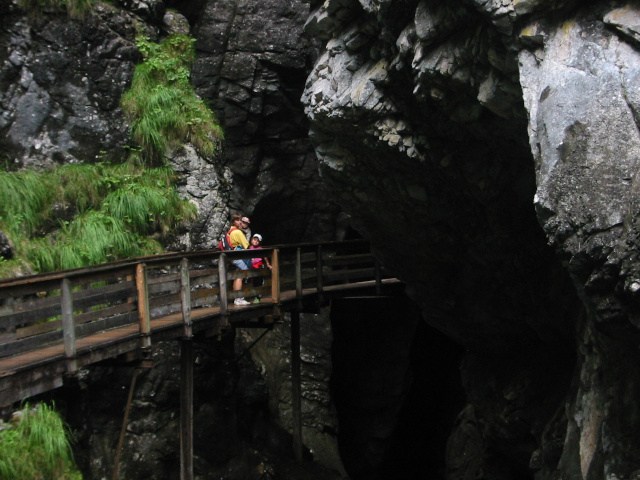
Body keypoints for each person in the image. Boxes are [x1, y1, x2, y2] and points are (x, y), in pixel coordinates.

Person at [228, 214, 250, 305]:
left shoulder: (230, 231)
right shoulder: (237, 232)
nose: (240, 222)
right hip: (237, 255)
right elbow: (246, 245)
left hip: (233, 255)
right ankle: (239, 298)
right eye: (237, 220)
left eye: (240, 220)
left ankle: (236, 297)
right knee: (242, 274)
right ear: (234, 222)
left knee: (238, 275)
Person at [249, 233, 272, 303]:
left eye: (257, 241)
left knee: (259, 281)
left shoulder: (260, 249)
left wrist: (268, 264)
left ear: (259, 242)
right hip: (252, 266)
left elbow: (264, 256)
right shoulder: (249, 248)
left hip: (259, 265)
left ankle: (258, 296)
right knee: (254, 282)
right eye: (254, 240)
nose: (255, 242)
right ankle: (254, 295)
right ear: (251, 240)